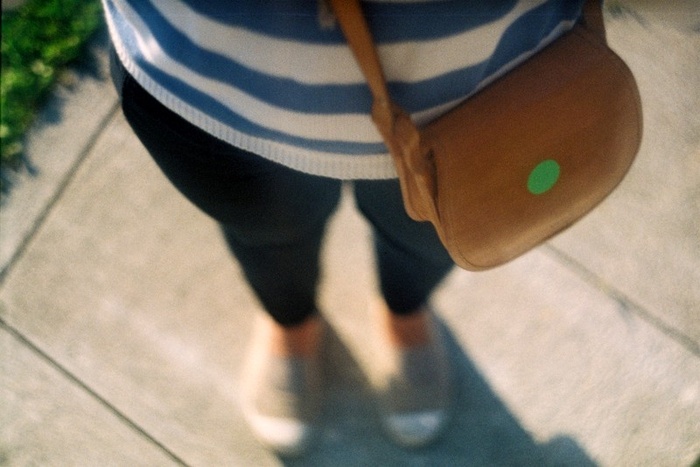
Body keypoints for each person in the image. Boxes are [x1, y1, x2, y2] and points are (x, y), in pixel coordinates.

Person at [104, 0, 586, 456]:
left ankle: (404, 313)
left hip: (473, 78)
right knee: (267, 234)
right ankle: (290, 320)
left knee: (431, 236)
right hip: (214, 81)